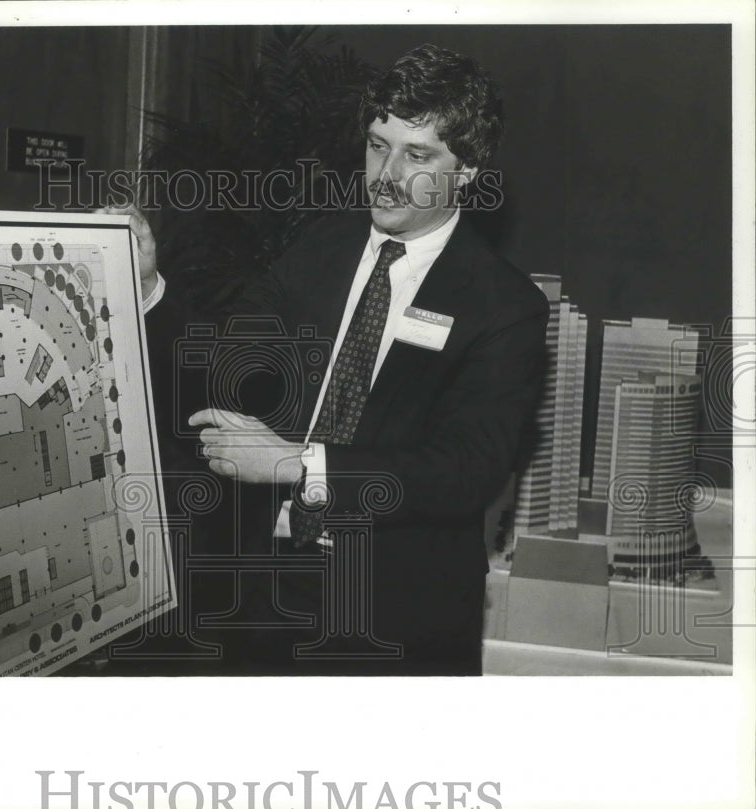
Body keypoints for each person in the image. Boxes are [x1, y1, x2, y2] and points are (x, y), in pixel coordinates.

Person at [108, 43, 548, 675]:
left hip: (393, 617)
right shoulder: (320, 247)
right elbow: (223, 367)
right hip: (264, 595)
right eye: (377, 144)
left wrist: (295, 463)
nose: (387, 172)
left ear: (468, 170)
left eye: (417, 154)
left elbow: (465, 470)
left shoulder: (504, 306)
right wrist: (149, 288)